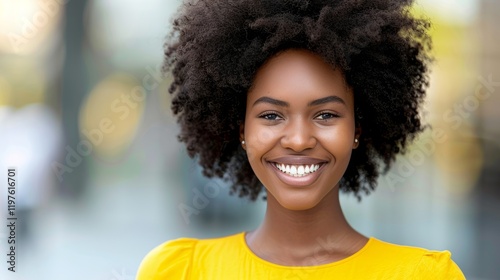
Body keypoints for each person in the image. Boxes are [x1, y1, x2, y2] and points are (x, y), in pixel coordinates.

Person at [136, 0, 465, 279]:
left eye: (325, 115)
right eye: (271, 116)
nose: (297, 140)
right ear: (241, 130)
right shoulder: (179, 271)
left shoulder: (423, 275)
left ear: (357, 129)